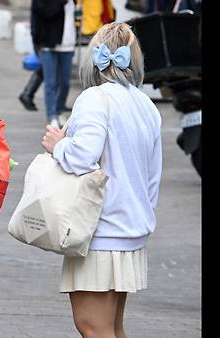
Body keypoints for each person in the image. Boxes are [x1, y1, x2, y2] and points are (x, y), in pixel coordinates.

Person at [40, 23, 162, 338]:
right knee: (111, 327)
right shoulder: (145, 104)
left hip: (100, 230)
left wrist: (58, 145)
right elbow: (153, 174)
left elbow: (82, 156)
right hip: (131, 228)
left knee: (92, 326)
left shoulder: (95, 98)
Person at [32, 0, 76, 128]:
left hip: (68, 44)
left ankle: (59, 111)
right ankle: (51, 115)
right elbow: (47, 13)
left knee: (65, 82)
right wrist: (64, 0)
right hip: (49, 45)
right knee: (51, 82)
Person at [19, 0, 47, 111]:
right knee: (46, 65)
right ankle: (27, 94)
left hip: (40, 29)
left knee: (45, 65)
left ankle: (27, 94)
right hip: (42, 31)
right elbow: (40, 6)